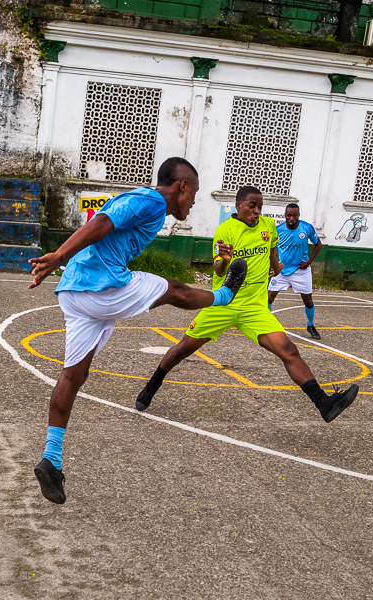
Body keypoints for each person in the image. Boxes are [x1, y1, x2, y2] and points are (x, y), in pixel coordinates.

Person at [28, 157, 248, 504]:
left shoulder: (144, 201)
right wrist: (59, 254)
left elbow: (106, 224)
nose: (193, 202)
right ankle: (225, 294)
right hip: (99, 286)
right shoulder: (152, 201)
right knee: (174, 289)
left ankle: (51, 460)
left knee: (74, 375)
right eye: (195, 194)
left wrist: (62, 261)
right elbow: (102, 222)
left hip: (74, 291)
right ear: (182, 186)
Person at [135, 185, 359, 423]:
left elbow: (272, 249)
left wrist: (276, 266)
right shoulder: (226, 230)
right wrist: (226, 260)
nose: (257, 211)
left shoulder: (268, 225)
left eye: (260, 207)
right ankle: (152, 385)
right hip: (224, 304)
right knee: (182, 350)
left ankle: (323, 403)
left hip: (254, 307)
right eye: (252, 206)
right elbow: (218, 268)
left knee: (289, 351)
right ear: (239, 205)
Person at [267, 203, 323, 339]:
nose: (291, 218)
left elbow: (318, 244)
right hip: (281, 270)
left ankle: (310, 325)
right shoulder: (277, 229)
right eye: (289, 215)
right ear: (285, 215)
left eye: (294, 215)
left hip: (300, 270)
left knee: (308, 301)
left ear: (298, 215)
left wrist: (309, 261)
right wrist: (273, 265)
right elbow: (270, 247)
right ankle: (266, 326)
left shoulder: (306, 228)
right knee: (269, 297)